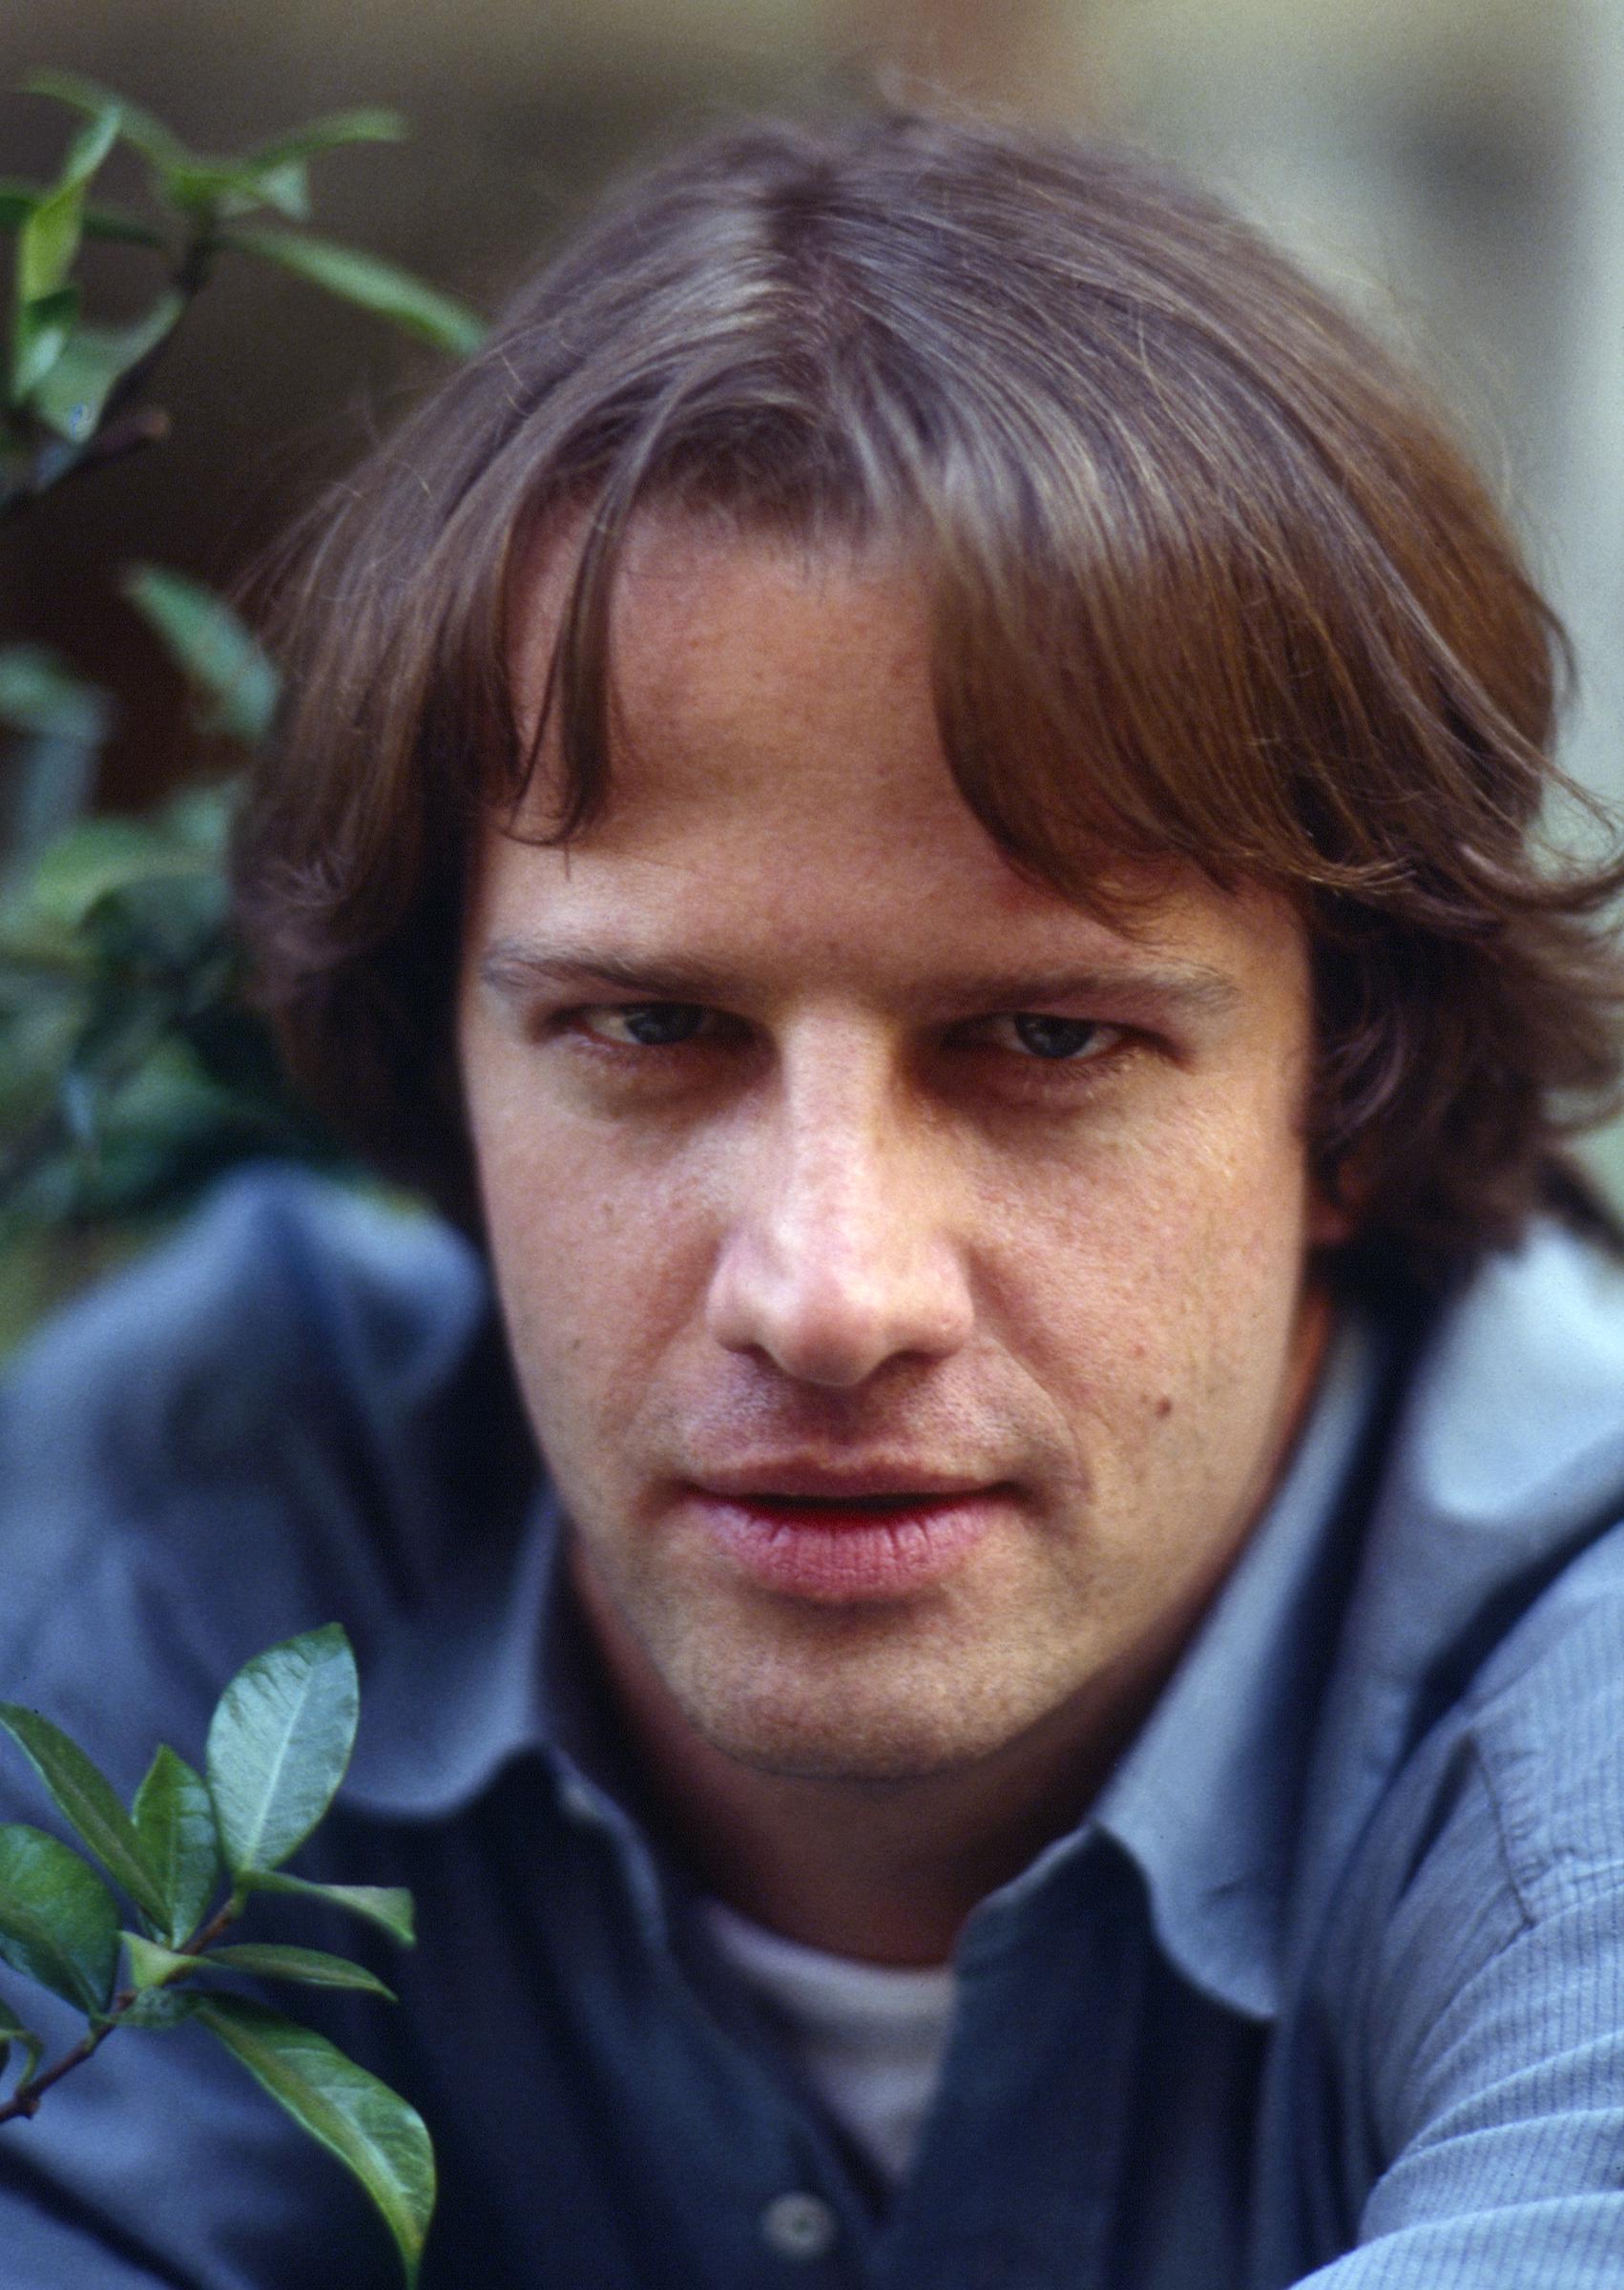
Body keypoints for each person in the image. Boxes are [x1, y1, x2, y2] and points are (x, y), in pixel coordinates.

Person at [4, 107, 1624, 2289]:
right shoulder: (192, 1518)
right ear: (441, 1054)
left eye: (1044, 1041)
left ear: (1352, 1085)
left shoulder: (1577, 1712)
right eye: (650, 1032)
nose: (827, 1290)